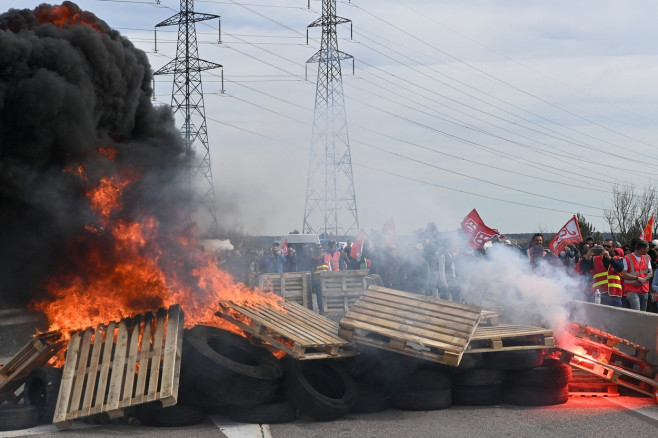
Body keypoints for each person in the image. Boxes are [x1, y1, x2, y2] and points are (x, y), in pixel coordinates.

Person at [578, 239, 624, 306]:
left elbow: (620, 268)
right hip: (599, 294)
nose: (606, 248)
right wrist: (588, 255)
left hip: (615, 294)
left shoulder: (619, 259)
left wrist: (608, 257)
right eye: (604, 246)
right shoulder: (595, 259)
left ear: (613, 248)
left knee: (616, 315)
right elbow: (583, 267)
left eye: (608, 246)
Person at [621, 240, 653, 311]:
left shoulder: (647, 258)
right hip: (632, 290)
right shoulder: (627, 258)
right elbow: (624, 274)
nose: (648, 250)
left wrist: (643, 280)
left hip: (644, 289)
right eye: (647, 248)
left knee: (643, 312)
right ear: (642, 249)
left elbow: (650, 272)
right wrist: (637, 278)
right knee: (636, 311)